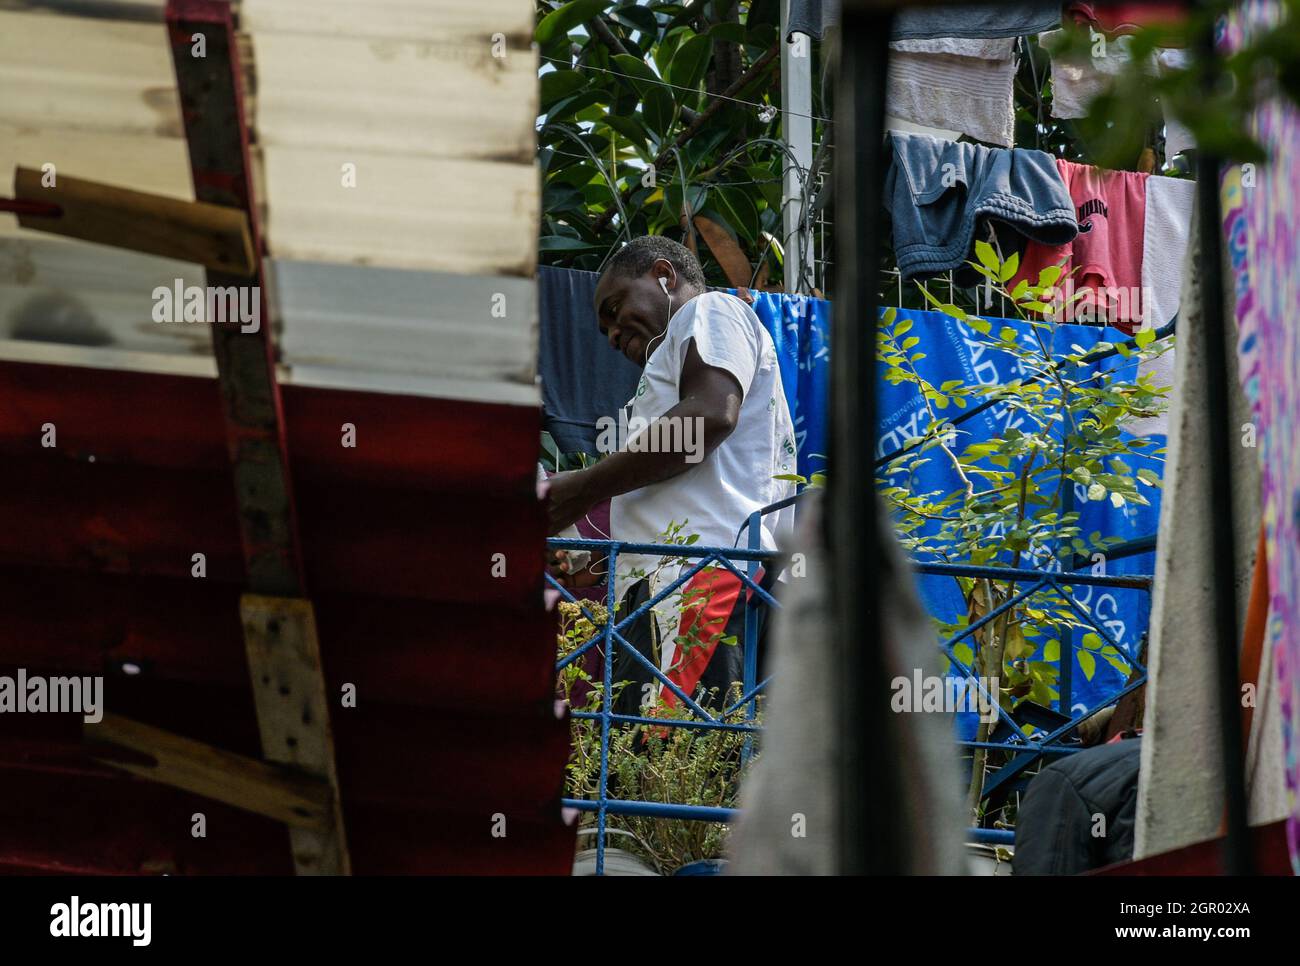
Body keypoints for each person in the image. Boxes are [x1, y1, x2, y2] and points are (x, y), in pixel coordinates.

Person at [546, 236, 797, 716]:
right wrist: (590, 561)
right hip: (675, 588)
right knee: (662, 767)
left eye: (615, 309)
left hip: (699, 584)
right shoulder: (667, 370)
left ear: (665, 276)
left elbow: (710, 416)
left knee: (672, 766)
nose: (614, 335)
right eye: (605, 331)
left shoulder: (708, 312)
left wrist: (581, 489)